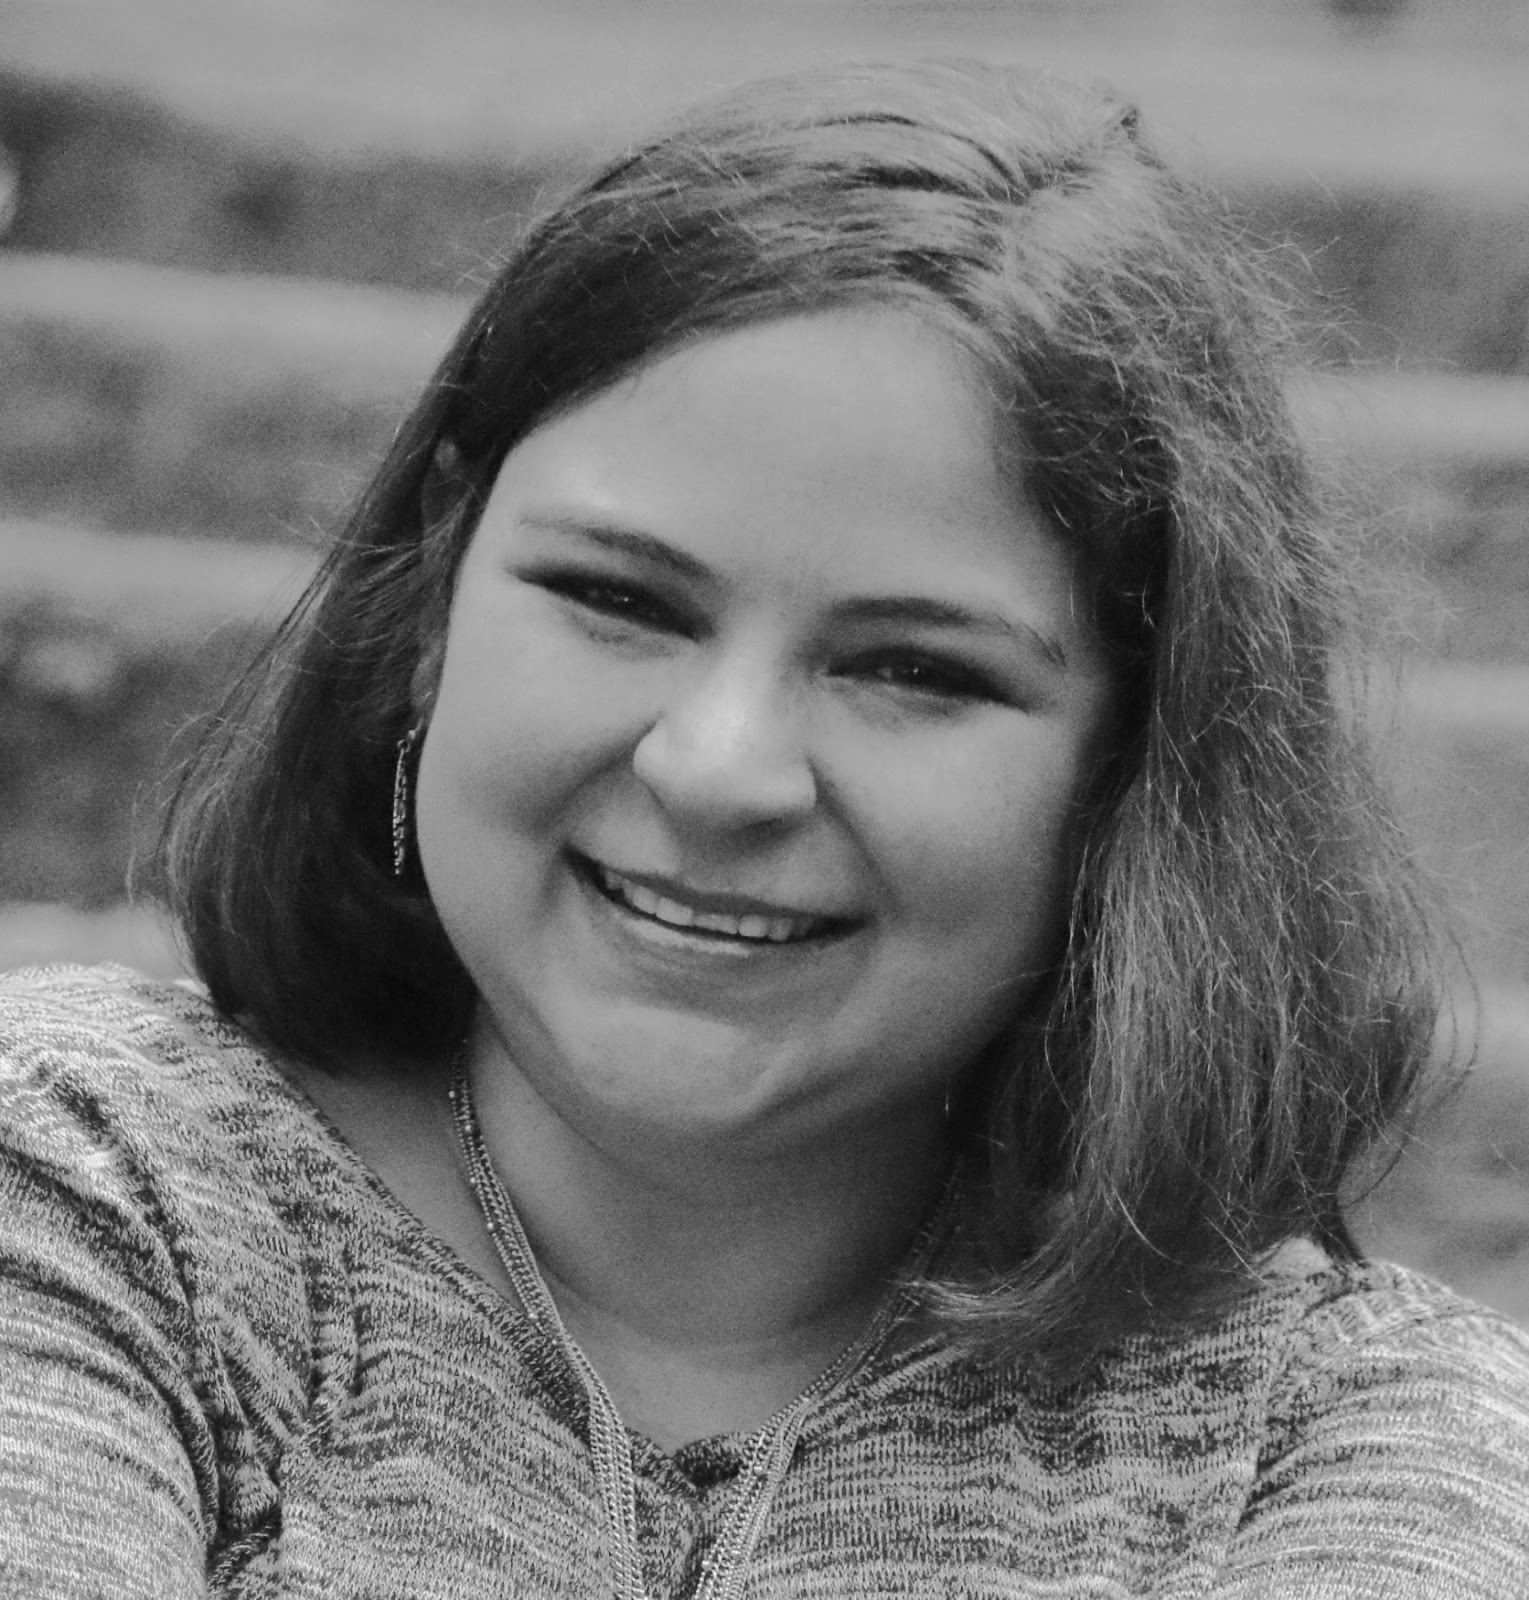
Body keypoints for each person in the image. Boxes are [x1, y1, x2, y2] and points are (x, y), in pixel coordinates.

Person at [1, 59, 1525, 1600]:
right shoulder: (86, 1185)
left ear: (1133, 772)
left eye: (912, 670)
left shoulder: (1351, 1440)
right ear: (432, 599)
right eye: (616, 597)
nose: (716, 770)